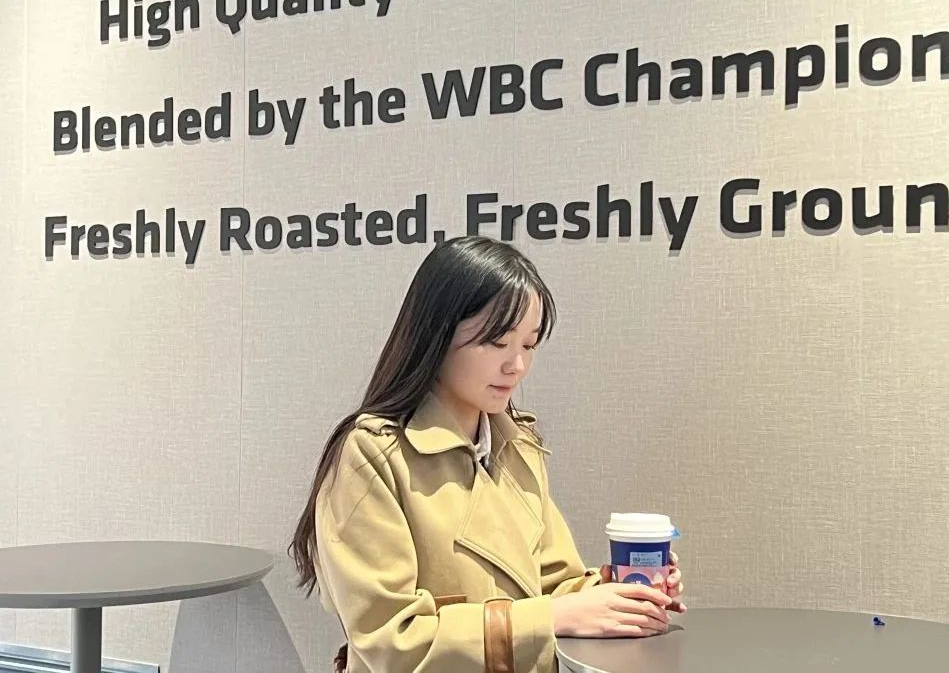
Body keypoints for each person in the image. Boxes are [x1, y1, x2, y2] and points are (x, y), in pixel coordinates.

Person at [288, 235, 685, 673]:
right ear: (437, 334)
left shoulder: (517, 444)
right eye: (497, 343)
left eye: (529, 345)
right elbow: (391, 640)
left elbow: (553, 583)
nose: (517, 365)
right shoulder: (373, 456)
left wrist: (621, 593)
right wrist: (552, 618)